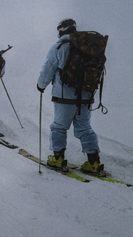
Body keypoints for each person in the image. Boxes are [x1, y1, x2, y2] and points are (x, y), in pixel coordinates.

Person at [36, 18, 104, 175]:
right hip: (86, 95)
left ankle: (58, 159)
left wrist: (41, 85)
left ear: (61, 30)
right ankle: (93, 163)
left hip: (64, 97)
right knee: (84, 127)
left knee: (59, 126)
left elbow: (48, 68)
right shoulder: (87, 47)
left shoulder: (59, 46)